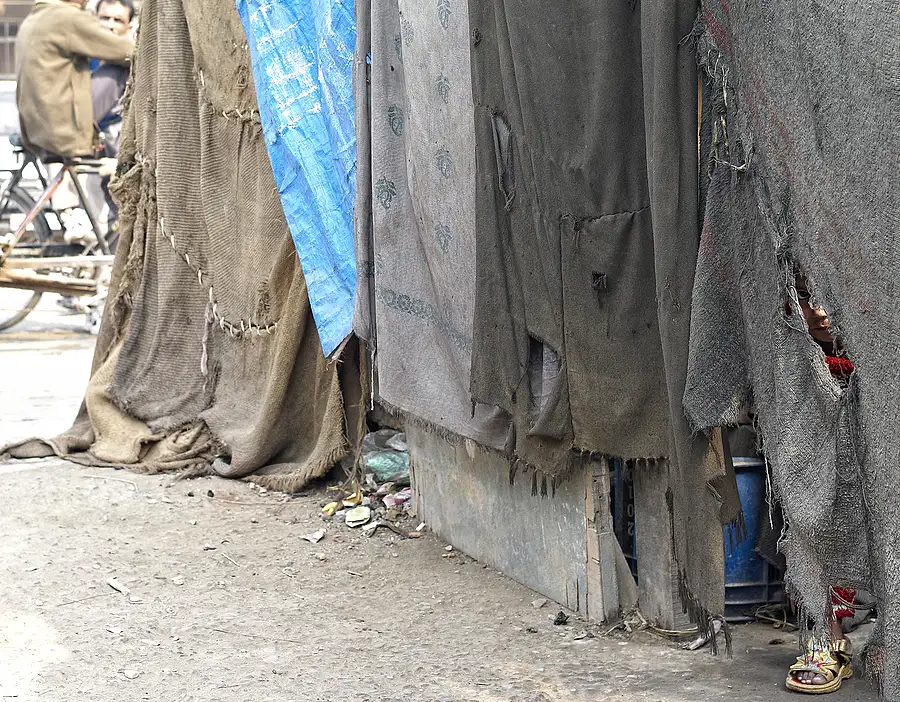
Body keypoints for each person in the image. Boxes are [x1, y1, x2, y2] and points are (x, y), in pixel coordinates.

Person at [784, 274, 856, 694]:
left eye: (828, 295)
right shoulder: (788, 347)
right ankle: (827, 636)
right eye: (807, 298)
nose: (821, 312)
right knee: (811, 528)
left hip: (870, 453)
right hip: (811, 454)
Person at [16, 0, 134, 159]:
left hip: (37, 130)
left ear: (129, 27)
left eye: (117, 20)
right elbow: (130, 52)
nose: (110, 26)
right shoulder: (69, 18)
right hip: (65, 131)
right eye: (104, 18)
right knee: (124, 64)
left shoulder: (36, 16)